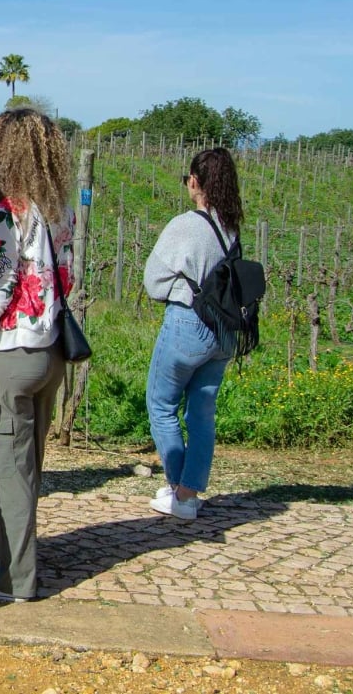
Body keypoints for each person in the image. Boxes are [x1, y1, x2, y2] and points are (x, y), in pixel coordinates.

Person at [0, 109, 74, 603]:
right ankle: (12, 547)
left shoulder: (9, 211)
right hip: (51, 350)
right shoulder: (59, 209)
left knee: (6, 464)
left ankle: (12, 577)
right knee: (28, 463)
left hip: (10, 351)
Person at [142, 147, 244, 521]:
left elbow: (153, 282)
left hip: (187, 323)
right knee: (202, 413)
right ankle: (189, 492)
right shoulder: (231, 228)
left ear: (195, 182)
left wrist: (177, 288)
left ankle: (177, 490)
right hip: (224, 331)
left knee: (162, 404)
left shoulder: (185, 225)